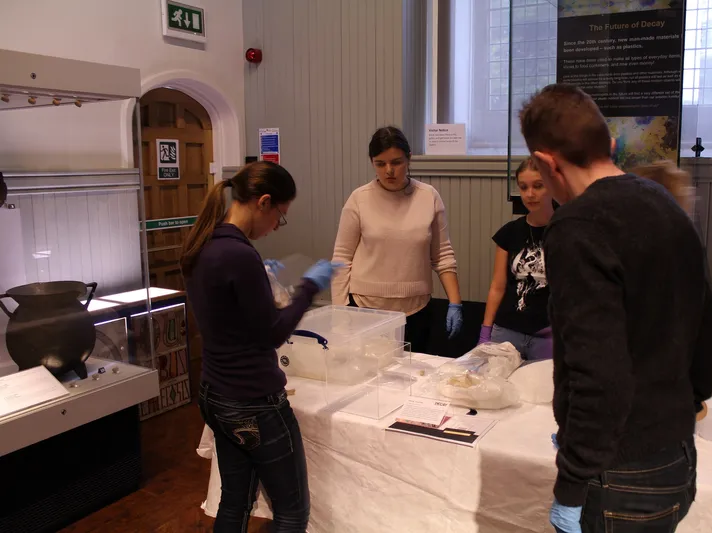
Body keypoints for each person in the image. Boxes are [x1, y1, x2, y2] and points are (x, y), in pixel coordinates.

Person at [518, 84, 712, 533]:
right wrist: (679, 408)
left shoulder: (576, 227)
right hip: (677, 457)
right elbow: (707, 325)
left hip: (620, 473)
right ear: (608, 146)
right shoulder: (663, 201)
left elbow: (598, 373)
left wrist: (572, 483)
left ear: (548, 163)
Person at [180, 161, 338, 533]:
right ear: (264, 202)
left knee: (235, 501)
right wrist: (309, 288)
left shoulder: (205, 242)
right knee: (291, 512)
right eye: (280, 217)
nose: (275, 227)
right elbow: (271, 335)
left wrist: (261, 279)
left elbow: (229, 315)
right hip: (253, 401)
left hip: (214, 394)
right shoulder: (239, 254)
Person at [332, 126, 463, 353]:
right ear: (372, 162)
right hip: (365, 310)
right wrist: (341, 312)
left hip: (416, 310)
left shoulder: (428, 196)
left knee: (411, 380)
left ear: (409, 159)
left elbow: (442, 255)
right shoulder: (359, 199)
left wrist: (455, 303)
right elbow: (341, 258)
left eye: (397, 162)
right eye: (380, 164)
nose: (389, 171)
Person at [479, 157, 554, 361]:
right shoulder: (510, 232)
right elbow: (498, 285)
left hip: (547, 335)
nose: (530, 194)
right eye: (523, 187)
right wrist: (486, 330)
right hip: (507, 331)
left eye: (538, 186)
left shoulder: (566, 230)